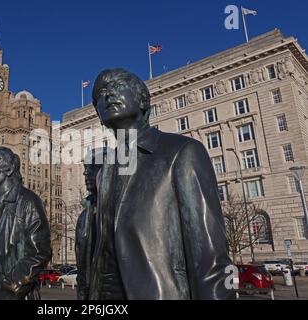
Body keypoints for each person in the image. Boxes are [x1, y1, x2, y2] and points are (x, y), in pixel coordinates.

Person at [88, 68, 234, 300]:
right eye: (101, 93)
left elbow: (211, 259)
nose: (109, 93)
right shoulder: (103, 173)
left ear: (143, 100)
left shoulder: (182, 152)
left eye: (119, 84)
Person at [0, 147, 52, 300]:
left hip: (13, 293)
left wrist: (13, 285)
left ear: (9, 169)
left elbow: (40, 252)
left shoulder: (28, 201)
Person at [75, 149, 104, 300]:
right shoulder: (83, 218)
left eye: (92, 167)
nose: (85, 173)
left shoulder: (124, 212)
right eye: (85, 168)